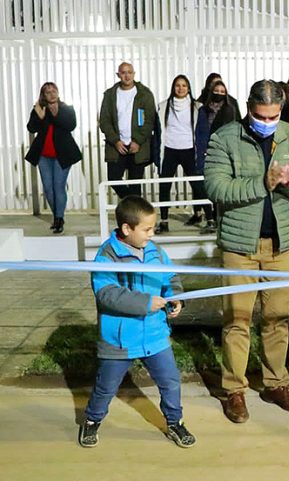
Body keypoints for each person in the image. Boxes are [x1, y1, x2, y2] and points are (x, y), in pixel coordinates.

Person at [204, 79, 289, 424]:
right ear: (249, 109)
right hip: (239, 246)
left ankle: (275, 383)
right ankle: (234, 390)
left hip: (281, 244)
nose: (267, 121)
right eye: (259, 115)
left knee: (278, 319)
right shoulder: (225, 137)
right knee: (237, 321)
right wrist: (263, 183)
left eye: (273, 115)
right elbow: (215, 186)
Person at [78, 195, 195, 449]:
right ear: (126, 229)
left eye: (153, 228)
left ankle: (174, 422)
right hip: (119, 339)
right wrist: (144, 302)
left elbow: (170, 278)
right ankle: (91, 420)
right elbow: (106, 295)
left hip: (154, 334)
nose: (152, 234)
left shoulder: (155, 251)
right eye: (147, 229)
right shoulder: (106, 256)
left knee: (170, 381)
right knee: (106, 387)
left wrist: (175, 298)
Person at [154, 74, 210, 234]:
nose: (180, 88)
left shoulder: (198, 107)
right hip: (170, 149)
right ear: (173, 87)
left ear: (189, 88)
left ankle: (210, 218)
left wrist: (203, 149)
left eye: (184, 85)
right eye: (177, 85)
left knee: (198, 185)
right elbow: (157, 132)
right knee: (164, 186)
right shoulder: (163, 106)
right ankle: (164, 221)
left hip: (190, 150)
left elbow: (203, 131)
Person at [25, 82, 82, 234]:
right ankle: (56, 215)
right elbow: (31, 128)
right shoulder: (39, 109)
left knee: (58, 186)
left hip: (62, 154)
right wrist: (39, 115)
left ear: (58, 92)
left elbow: (71, 125)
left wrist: (54, 115)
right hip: (44, 155)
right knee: (48, 189)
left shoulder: (66, 108)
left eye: (53, 91)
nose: (51, 94)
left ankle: (59, 218)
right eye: (47, 92)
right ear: (43, 95)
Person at [99, 62, 156, 199]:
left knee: (135, 183)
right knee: (113, 178)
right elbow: (104, 121)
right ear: (118, 75)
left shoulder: (144, 94)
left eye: (129, 72)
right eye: (123, 72)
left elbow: (149, 120)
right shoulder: (110, 95)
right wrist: (116, 141)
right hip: (116, 146)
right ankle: (133, 201)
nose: (127, 76)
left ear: (134, 74)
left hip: (137, 146)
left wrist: (138, 141)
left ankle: (135, 216)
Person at [193, 79, 239, 233]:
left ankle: (222, 219)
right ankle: (210, 217)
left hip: (225, 152)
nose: (219, 94)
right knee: (206, 185)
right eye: (216, 91)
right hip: (206, 151)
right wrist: (203, 150)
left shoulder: (230, 109)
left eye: (222, 92)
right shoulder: (203, 110)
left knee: (222, 184)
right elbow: (199, 132)